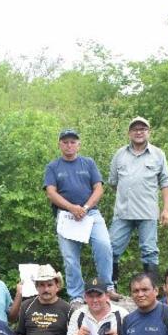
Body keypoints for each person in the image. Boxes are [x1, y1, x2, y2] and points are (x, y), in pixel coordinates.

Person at [43, 128, 113, 301]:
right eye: (65, 142)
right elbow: (51, 192)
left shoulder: (88, 163)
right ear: (60, 144)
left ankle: (108, 287)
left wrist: (86, 207)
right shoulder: (53, 166)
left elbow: (99, 188)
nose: (69, 145)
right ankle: (76, 295)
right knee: (70, 258)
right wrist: (72, 208)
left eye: (73, 142)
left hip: (91, 214)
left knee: (104, 245)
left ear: (78, 144)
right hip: (66, 216)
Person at [107, 117, 168, 284]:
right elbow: (113, 182)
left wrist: (165, 209)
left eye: (142, 129)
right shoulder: (119, 154)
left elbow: (165, 183)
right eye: (135, 129)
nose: (139, 132)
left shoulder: (158, 154)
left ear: (148, 132)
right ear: (129, 133)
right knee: (110, 249)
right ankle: (110, 287)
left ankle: (152, 290)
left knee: (150, 252)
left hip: (148, 212)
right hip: (123, 212)